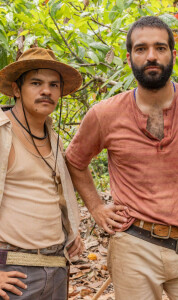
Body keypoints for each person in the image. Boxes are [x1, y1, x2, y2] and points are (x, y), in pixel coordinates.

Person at [66, 16, 178, 300]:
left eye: (160, 48)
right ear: (129, 58)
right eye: (141, 49)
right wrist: (96, 207)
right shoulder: (105, 114)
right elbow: (75, 160)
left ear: (173, 55)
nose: (151, 56)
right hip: (133, 243)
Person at [0, 47, 84, 300]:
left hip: (56, 266)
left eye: (53, 85)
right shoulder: (3, 133)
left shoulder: (54, 140)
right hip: (13, 270)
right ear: (16, 89)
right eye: (36, 83)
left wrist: (71, 233)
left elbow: (51, 195)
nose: (46, 91)